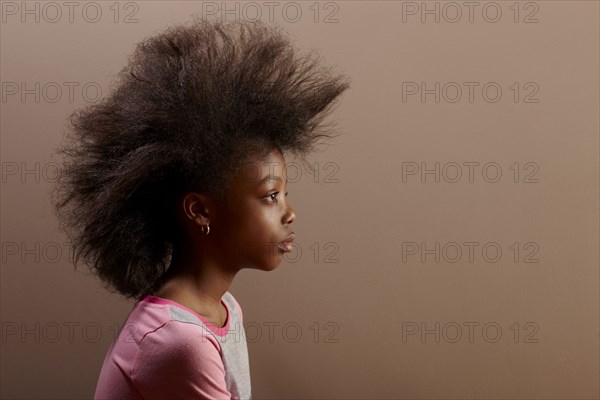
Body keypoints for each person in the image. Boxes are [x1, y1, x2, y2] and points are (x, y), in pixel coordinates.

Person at [51, 16, 350, 400]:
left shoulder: (223, 309)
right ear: (200, 211)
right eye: (271, 196)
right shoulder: (180, 340)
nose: (290, 213)